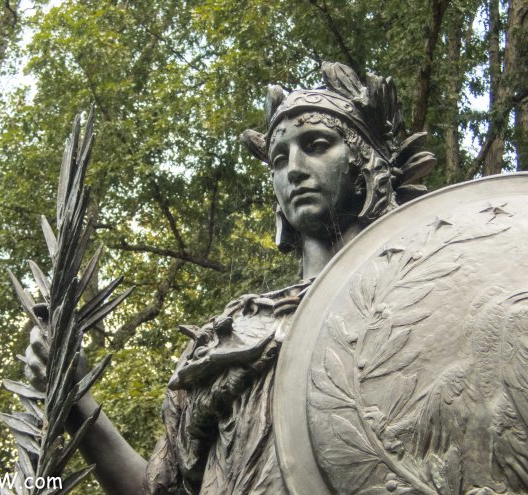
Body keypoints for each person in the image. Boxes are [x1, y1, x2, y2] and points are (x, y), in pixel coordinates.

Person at [25, 62, 436, 495]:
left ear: (366, 163)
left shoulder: (419, 297)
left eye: (317, 145)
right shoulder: (228, 336)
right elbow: (158, 491)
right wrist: (74, 400)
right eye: (279, 159)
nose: (294, 169)